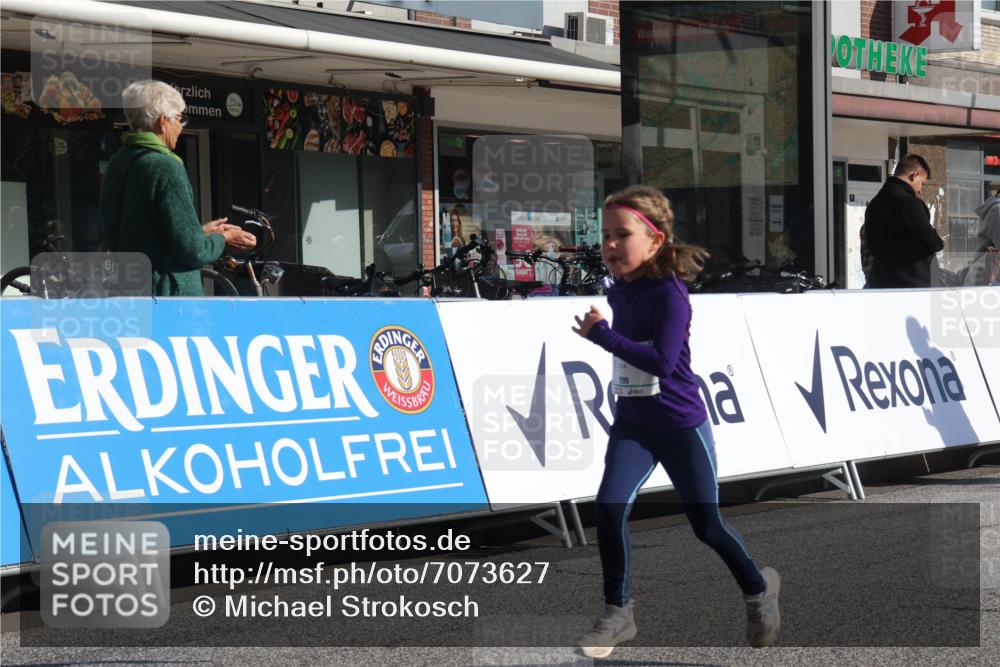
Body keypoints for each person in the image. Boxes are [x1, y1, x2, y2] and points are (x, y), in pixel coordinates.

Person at [572, 185, 780, 659]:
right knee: (608, 507)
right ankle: (618, 611)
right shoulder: (620, 288)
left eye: (620, 235)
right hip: (634, 422)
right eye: (604, 235)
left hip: (680, 423)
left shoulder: (671, 294)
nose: (608, 245)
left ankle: (758, 590)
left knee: (706, 525)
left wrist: (602, 337)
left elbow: (664, 363)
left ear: (656, 240)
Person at [101, 80, 255, 296]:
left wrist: (199, 232)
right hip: (168, 297)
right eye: (179, 119)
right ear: (163, 121)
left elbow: (143, 236)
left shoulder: (118, 162)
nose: (181, 128)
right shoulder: (165, 166)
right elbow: (192, 251)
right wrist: (223, 239)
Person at [863, 154, 943, 288]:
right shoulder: (909, 203)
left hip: (881, 281)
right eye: (921, 183)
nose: (919, 190)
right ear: (914, 175)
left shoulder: (874, 204)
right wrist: (938, 240)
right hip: (912, 282)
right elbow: (931, 242)